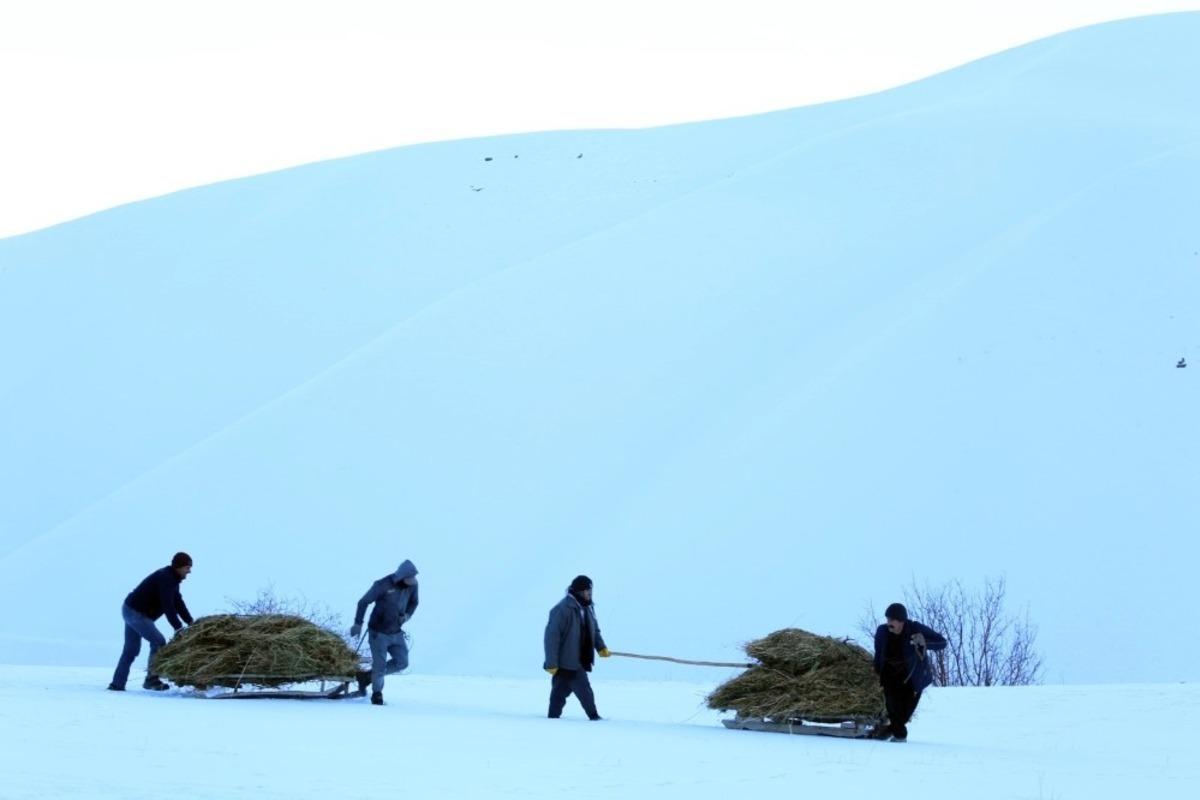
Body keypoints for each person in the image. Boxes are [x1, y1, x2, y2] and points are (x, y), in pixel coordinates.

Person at [107, 552, 194, 691]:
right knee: (159, 641)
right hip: (136, 614)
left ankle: (117, 684)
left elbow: (178, 603)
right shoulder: (166, 578)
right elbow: (168, 606)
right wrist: (178, 627)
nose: (189, 571)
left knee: (131, 650)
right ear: (179, 566)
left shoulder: (172, 579)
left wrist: (190, 622)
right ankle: (151, 679)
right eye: (188, 567)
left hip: (130, 610)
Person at [872, 602, 947, 742]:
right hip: (890, 675)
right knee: (892, 708)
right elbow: (878, 653)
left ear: (901, 621)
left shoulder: (915, 628)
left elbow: (942, 642)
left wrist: (924, 642)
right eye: (887, 620)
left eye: (892, 620)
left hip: (912, 677)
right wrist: (877, 669)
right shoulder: (882, 632)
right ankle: (900, 736)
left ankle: (888, 731)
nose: (888, 624)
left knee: (904, 713)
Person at [351, 559, 419, 706]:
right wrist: (358, 623)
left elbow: (414, 602)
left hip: (396, 632)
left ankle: (367, 677)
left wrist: (407, 615)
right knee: (380, 666)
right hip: (378, 633)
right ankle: (377, 694)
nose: (413, 581)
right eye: (410, 578)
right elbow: (363, 602)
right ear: (401, 576)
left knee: (402, 662)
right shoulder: (382, 585)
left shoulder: (413, 585)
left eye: (414, 578)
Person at [543, 575, 611, 720]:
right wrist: (551, 663)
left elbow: (595, 631)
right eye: (587, 591)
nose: (589, 594)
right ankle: (594, 717)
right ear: (579, 591)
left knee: (560, 693)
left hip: (578, 659)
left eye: (590, 591)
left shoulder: (588, 608)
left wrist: (601, 647)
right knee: (579, 690)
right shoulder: (562, 609)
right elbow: (551, 638)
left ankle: (553, 719)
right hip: (565, 662)